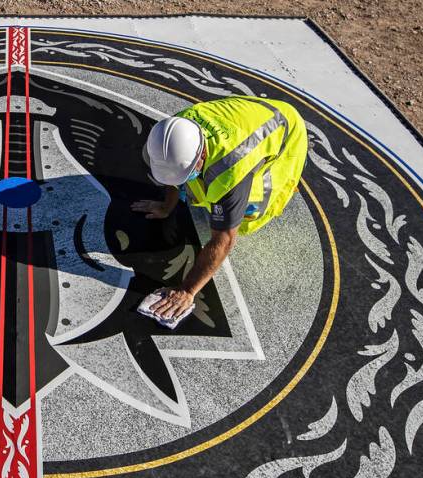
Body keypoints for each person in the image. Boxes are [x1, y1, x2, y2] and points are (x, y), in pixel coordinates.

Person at [131, 96, 308, 320]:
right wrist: (167, 206)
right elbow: (174, 173)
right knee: (203, 189)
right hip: (245, 117)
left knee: (247, 215)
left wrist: (187, 291)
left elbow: (223, 240)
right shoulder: (171, 134)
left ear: (202, 155)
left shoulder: (231, 170)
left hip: (286, 130)